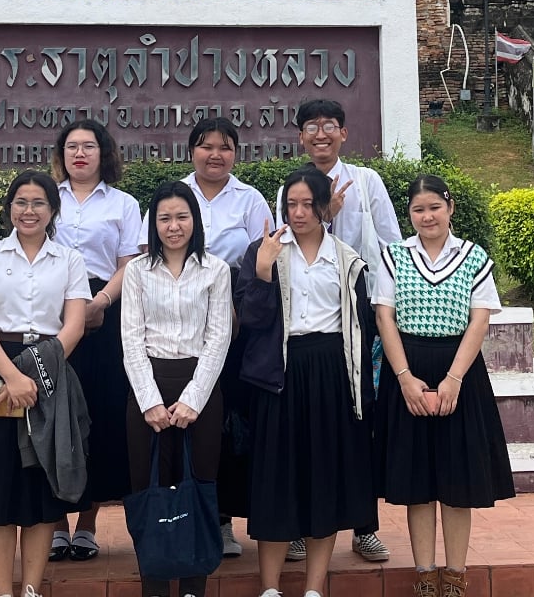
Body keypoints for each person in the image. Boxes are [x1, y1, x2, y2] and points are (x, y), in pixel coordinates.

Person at [371, 176, 514, 597]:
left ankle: (454, 577)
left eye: (434, 207)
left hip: (460, 373)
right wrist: (404, 379)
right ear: (409, 214)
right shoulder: (394, 256)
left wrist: (453, 379)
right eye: (418, 209)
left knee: (457, 481)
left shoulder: (474, 257)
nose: (427, 216)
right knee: (417, 483)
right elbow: (384, 317)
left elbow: (480, 320)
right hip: (407, 370)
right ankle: (424, 575)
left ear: (449, 207)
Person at [239, 166, 378, 597]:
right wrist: (262, 273)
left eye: (307, 204)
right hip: (279, 375)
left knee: (324, 480)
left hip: (331, 373)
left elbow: (362, 327)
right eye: (291, 205)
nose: (298, 213)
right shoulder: (264, 251)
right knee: (276, 480)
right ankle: (270, 588)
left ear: (325, 207)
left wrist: (361, 391)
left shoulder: (347, 258)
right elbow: (249, 321)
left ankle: (315, 589)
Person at [0, 171, 91, 597]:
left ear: (53, 210)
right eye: (21, 202)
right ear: (9, 207)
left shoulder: (69, 260)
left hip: (49, 370)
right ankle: (2, 591)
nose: (29, 211)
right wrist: (12, 376)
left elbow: (74, 325)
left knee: (40, 488)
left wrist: (36, 372)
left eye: (39, 203)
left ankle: (30, 588)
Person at [273, 99, 397, 565]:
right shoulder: (292, 188)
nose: (320, 134)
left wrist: (384, 310)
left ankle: (364, 528)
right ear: (300, 136)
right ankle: (300, 527)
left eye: (329, 126)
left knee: (358, 420)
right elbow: (286, 244)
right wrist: (323, 213)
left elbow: (389, 245)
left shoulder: (367, 182)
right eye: (311, 126)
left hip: (360, 315)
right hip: (310, 323)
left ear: (343, 133)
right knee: (304, 431)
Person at [121, 181, 235, 597]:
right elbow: (131, 339)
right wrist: (150, 401)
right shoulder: (137, 271)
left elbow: (218, 338)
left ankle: (192, 586)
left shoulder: (215, 270)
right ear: (153, 224)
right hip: (147, 385)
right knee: (148, 486)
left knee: (198, 485)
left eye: (182, 217)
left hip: (200, 386)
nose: (173, 226)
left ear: (195, 221)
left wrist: (192, 399)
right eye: (164, 218)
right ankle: (153, 584)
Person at [172, 117, 272, 557]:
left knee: (226, 416)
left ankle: (224, 518)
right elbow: (150, 252)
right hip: (179, 311)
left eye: (225, 147)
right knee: (183, 411)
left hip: (236, 316)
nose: (215, 154)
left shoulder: (249, 199)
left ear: (236, 153)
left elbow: (264, 258)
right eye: (206, 145)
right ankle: (183, 517)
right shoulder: (175, 194)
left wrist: (236, 308)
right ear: (191, 150)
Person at [49, 119, 144, 561]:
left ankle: (86, 524)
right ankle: (54, 524)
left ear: (104, 153)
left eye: (88, 146)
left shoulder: (123, 204)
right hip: (50, 313)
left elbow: (129, 263)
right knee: (52, 414)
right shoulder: (47, 197)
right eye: (72, 147)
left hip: (105, 312)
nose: (80, 154)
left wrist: (101, 301)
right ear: (61, 154)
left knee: (99, 415)